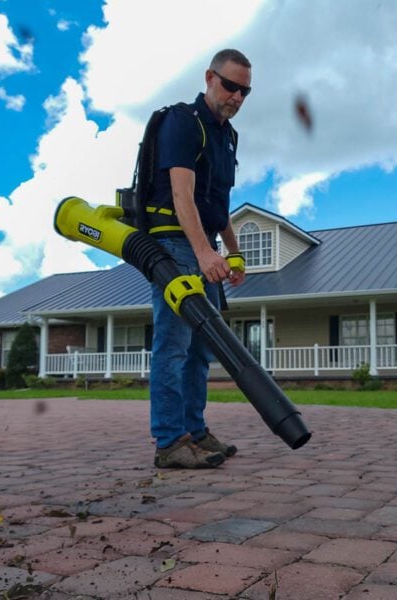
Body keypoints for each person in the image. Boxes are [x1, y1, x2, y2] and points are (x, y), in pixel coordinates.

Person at [148, 49, 251, 468]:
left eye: (245, 91)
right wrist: (204, 251)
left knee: (200, 349)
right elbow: (181, 195)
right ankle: (170, 442)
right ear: (209, 77)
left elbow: (216, 205)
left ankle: (196, 432)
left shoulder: (226, 136)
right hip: (174, 245)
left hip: (202, 240)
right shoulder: (183, 122)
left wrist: (234, 250)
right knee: (173, 346)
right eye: (230, 86)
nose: (237, 97)